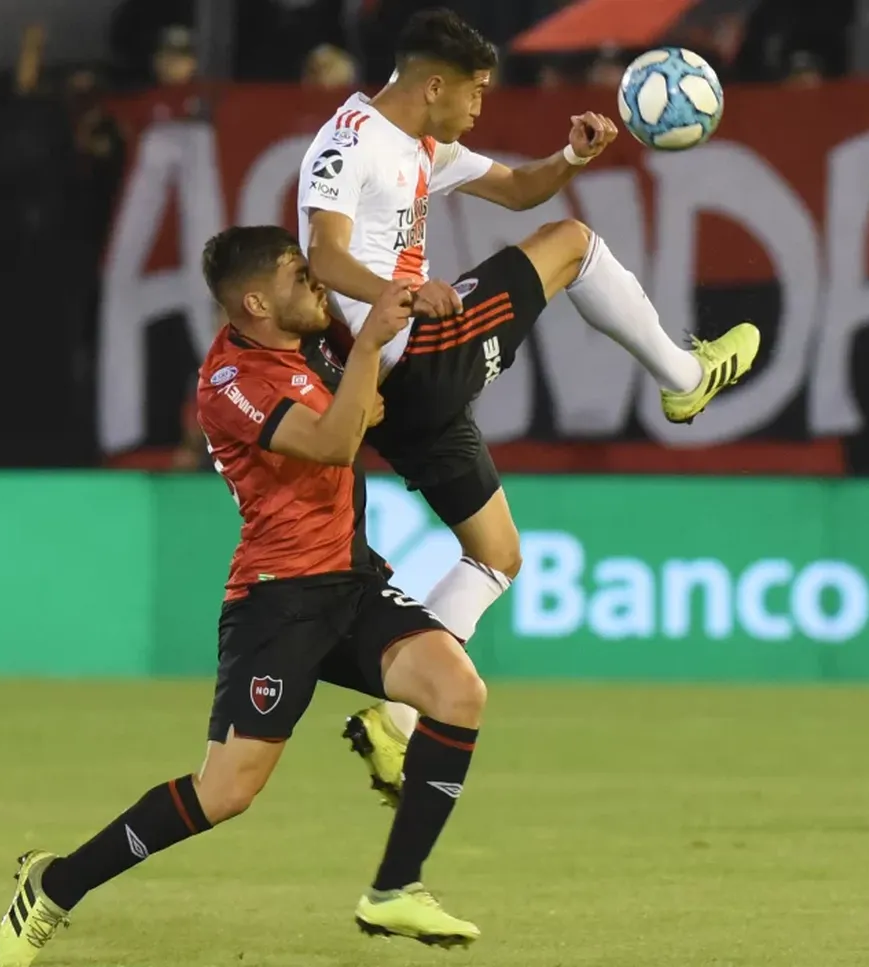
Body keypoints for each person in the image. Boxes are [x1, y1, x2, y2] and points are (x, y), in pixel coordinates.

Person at [296, 7, 761, 803]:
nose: (481, 105)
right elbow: (324, 253)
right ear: (432, 84)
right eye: (474, 91)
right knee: (573, 246)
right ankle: (683, 375)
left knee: (497, 556)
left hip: (406, 401)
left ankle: (396, 724)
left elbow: (515, 189)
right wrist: (401, 291)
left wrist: (569, 157)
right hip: (412, 359)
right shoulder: (350, 143)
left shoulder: (421, 143)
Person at [0, 226, 488, 967]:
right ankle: (55, 885)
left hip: (352, 581)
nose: (315, 282)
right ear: (257, 300)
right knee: (224, 792)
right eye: (299, 274)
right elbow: (330, 443)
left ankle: (395, 886)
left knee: (458, 689)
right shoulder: (231, 383)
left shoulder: (313, 341)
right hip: (278, 599)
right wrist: (362, 360)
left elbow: (361, 414)